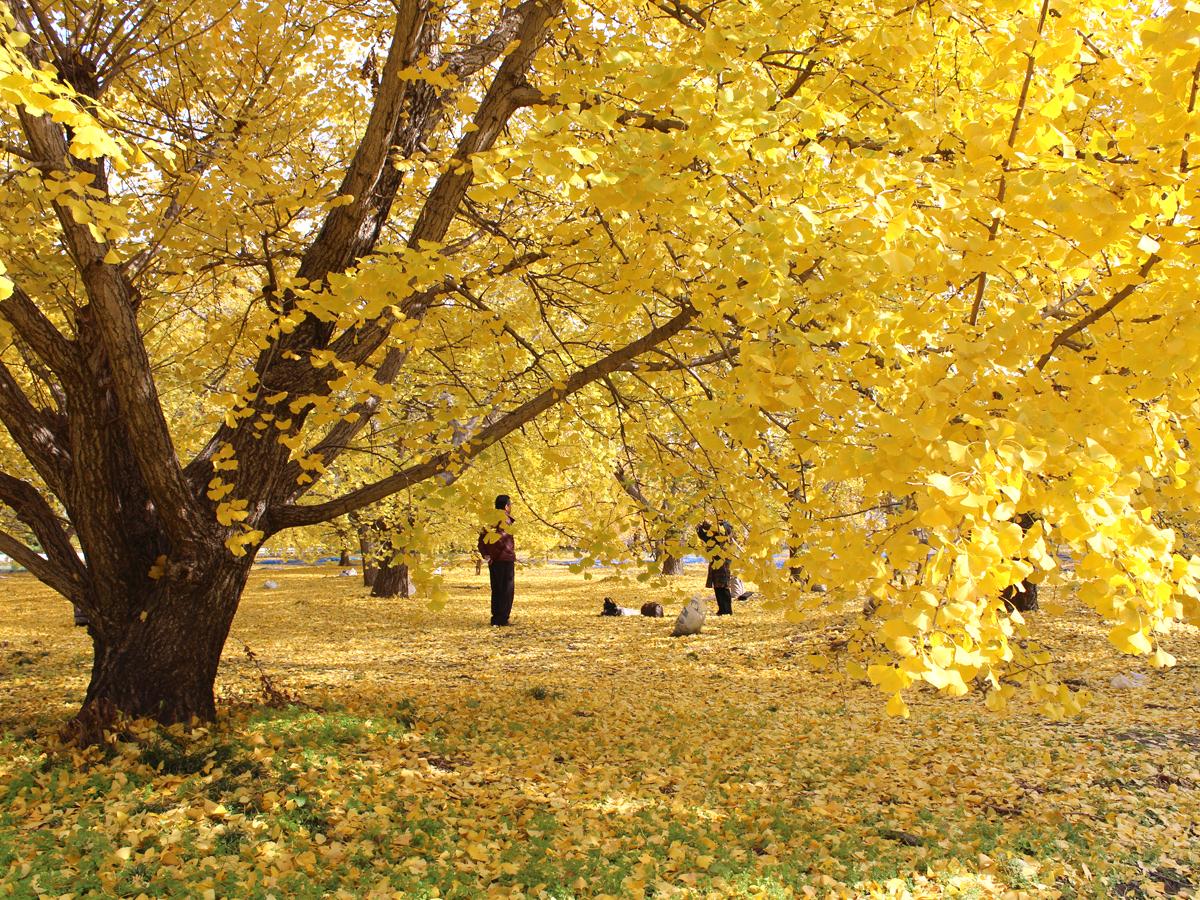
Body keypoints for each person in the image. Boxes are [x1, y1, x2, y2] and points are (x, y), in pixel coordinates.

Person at [478, 494, 516, 626]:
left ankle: (496, 618)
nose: (511, 507)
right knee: (506, 590)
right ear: (506, 506)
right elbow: (502, 540)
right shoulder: (504, 520)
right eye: (510, 505)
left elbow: (482, 541)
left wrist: (487, 555)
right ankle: (502, 619)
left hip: (494, 560)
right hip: (504, 559)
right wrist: (493, 555)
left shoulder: (489, 520)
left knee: (497, 589)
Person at [697, 519, 734, 615]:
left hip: (724, 561)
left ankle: (727, 610)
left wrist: (711, 525)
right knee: (717, 587)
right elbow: (704, 537)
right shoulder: (713, 536)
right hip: (714, 561)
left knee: (723, 586)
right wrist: (699, 528)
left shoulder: (726, 527)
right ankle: (721, 609)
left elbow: (725, 530)